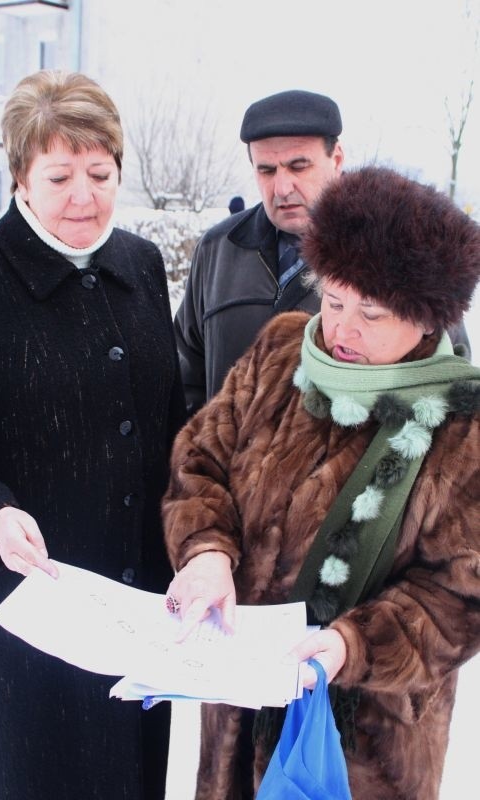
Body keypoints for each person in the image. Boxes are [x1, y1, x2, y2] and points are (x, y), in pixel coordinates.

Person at [163, 166, 480, 800]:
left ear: (425, 320)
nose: (341, 331)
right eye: (333, 300)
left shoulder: (459, 426)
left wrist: (349, 646)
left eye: (371, 313)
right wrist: (207, 553)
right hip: (238, 707)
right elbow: (200, 462)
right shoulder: (280, 355)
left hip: (367, 744)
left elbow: (458, 597)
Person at [0, 70, 185, 800]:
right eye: (59, 175)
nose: (84, 195)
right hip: (26, 604)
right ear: (20, 176)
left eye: (100, 173)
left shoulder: (141, 266)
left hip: (137, 597)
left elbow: (167, 419)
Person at [175, 90, 471, 417]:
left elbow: (448, 376)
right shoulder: (218, 248)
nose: (283, 187)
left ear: (337, 159)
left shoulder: (399, 245)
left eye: (298, 166)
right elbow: (186, 368)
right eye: (267, 170)